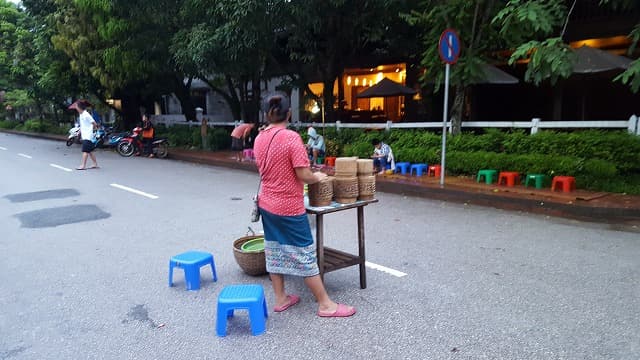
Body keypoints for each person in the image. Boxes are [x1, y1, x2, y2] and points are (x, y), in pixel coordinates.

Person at [253, 92, 356, 318]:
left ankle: (281, 298)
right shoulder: (291, 138)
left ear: (266, 114)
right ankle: (326, 305)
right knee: (305, 254)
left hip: (266, 204)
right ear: (289, 113)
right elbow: (303, 174)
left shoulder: (259, 138)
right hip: (288, 207)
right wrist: (317, 177)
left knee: (274, 249)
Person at [75, 100, 99, 170]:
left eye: (76, 106)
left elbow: (94, 123)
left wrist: (93, 129)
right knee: (90, 151)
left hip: (88, 136)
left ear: (79, 107)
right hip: (85, 135)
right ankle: (95, 164)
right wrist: (79, 131)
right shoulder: (81, 114)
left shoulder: (86, 114)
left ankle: (83, 165)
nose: (76, 108)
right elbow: (83, 125)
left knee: (85, 151)